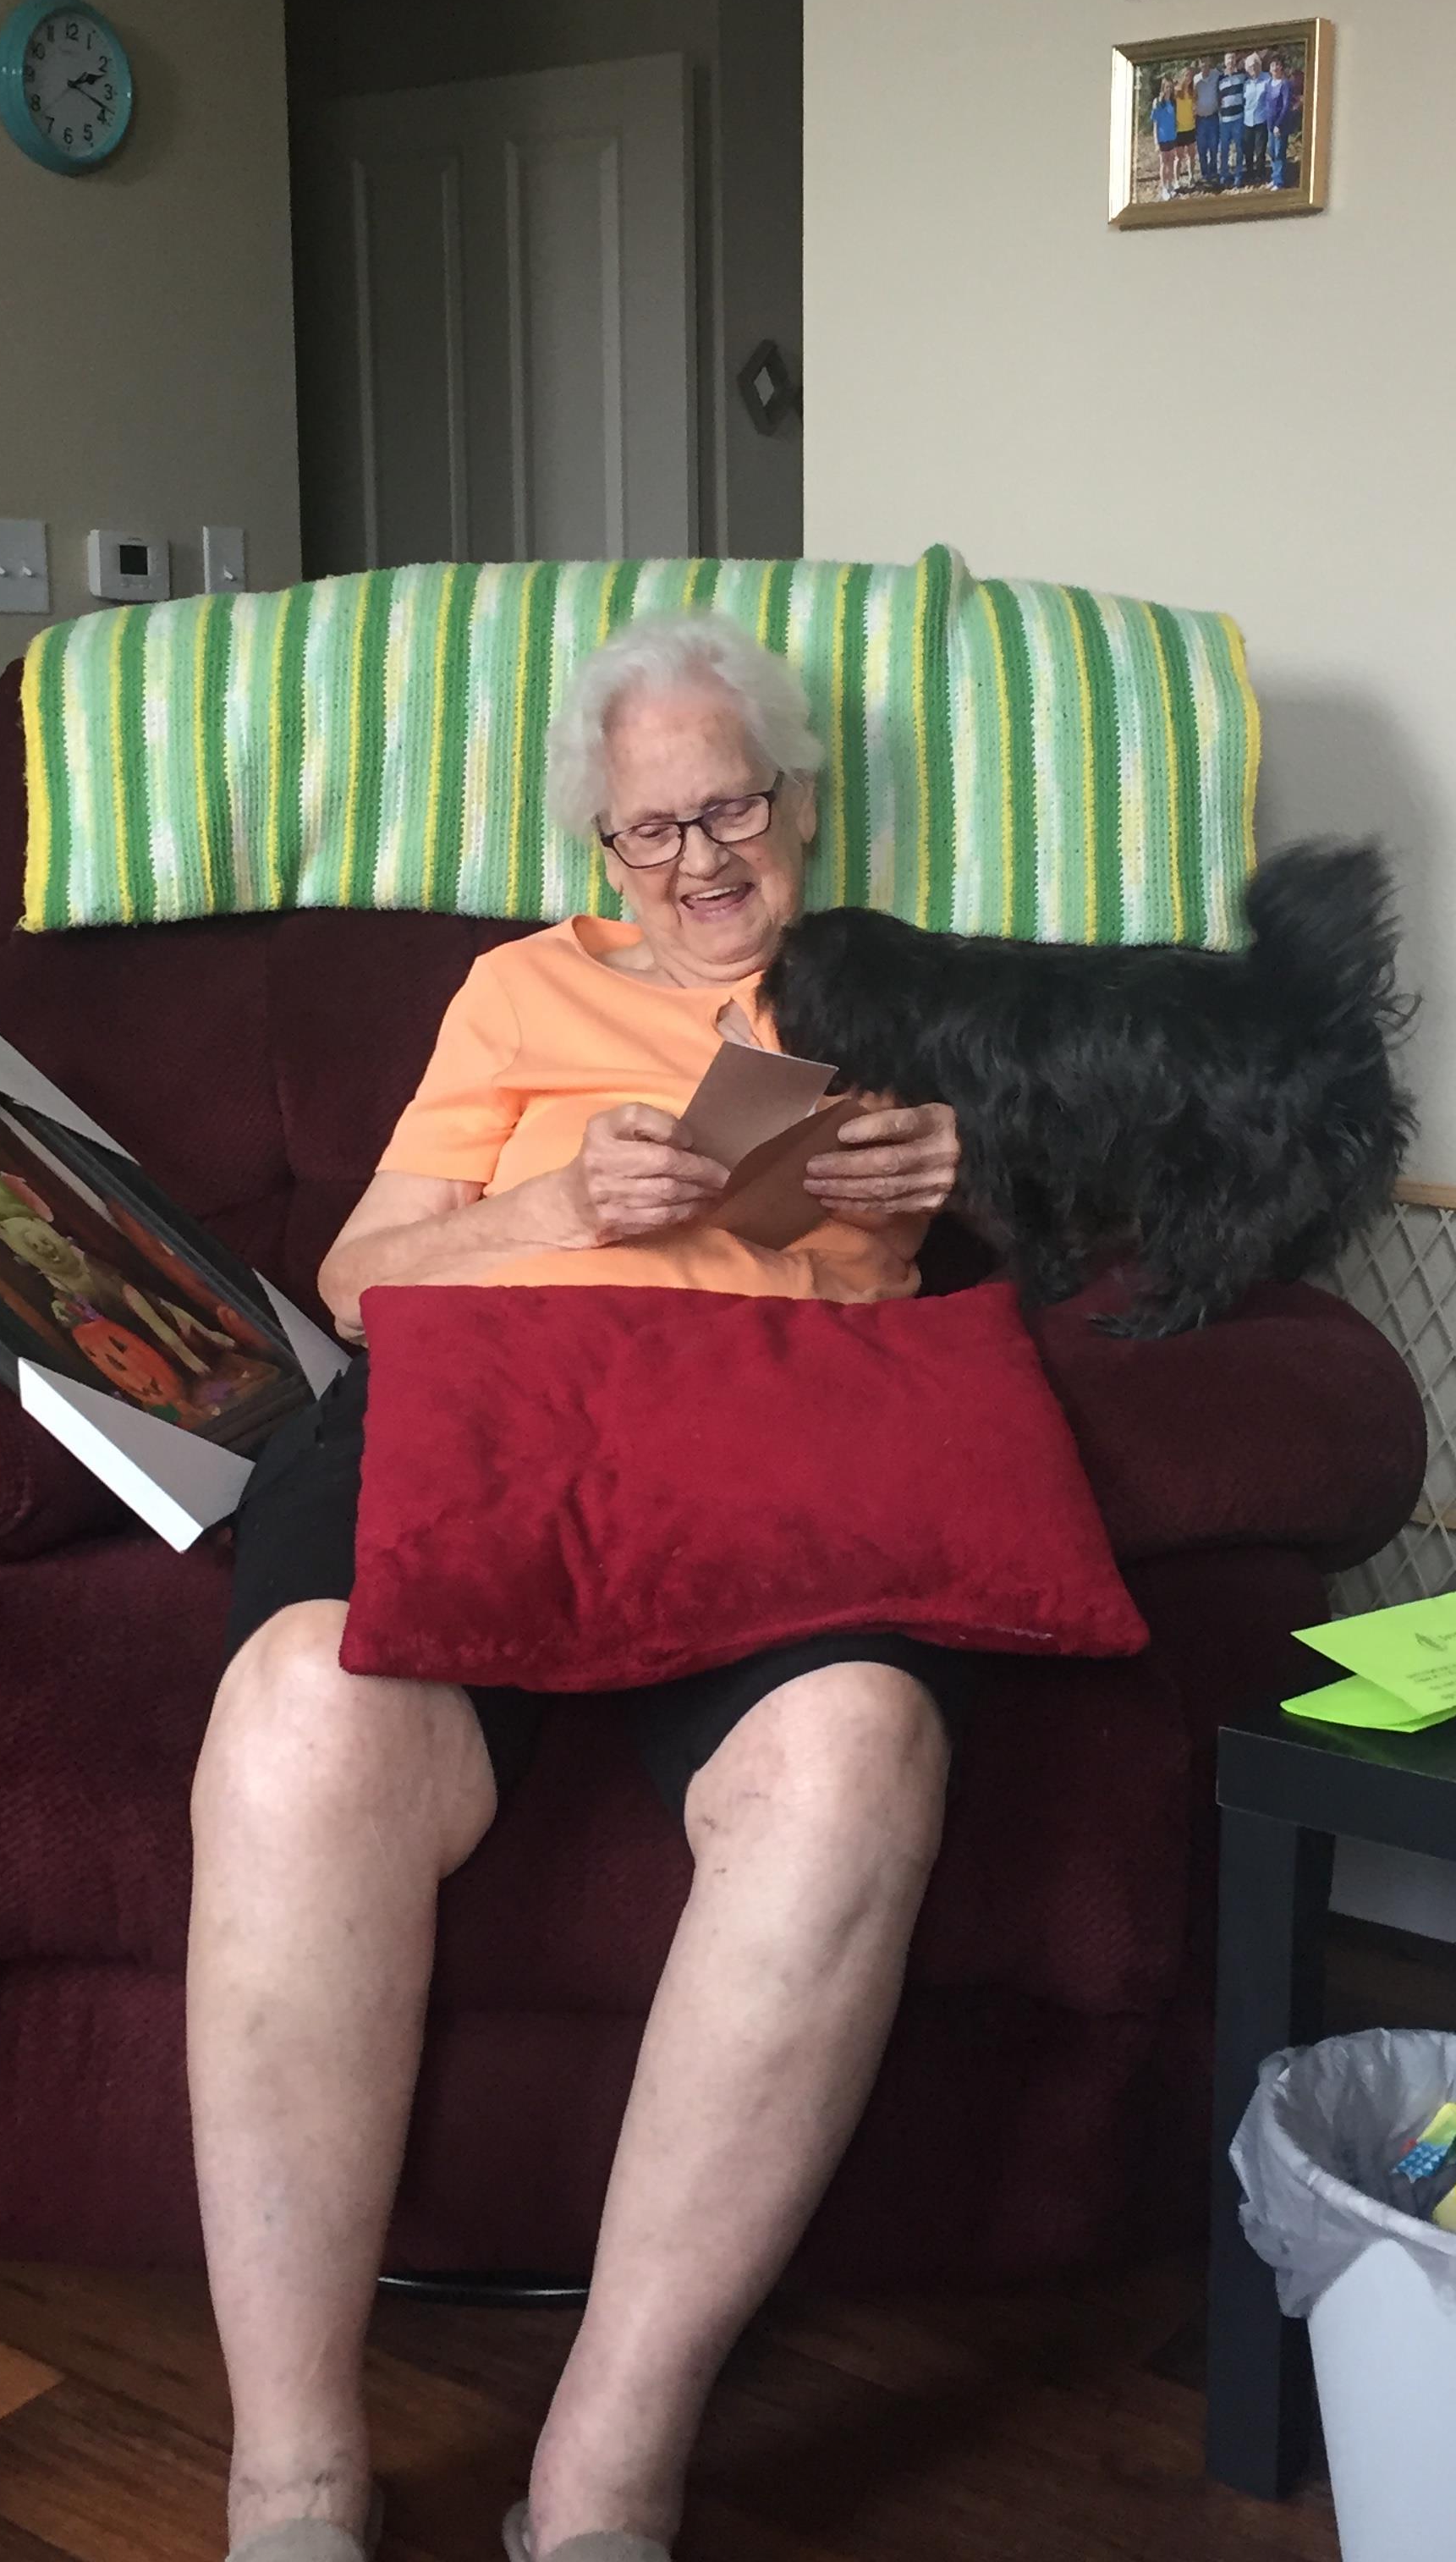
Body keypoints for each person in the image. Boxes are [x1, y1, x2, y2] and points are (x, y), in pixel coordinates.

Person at [193, 611, 965, 2562]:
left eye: (733, 811)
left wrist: (942, 1184)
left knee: (861, 1743)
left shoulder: (882, 994)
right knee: (296, 1715)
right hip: (480, 1432)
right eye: (650, 832)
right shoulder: (514, 994)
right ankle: (291, 2475)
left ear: (799, 804)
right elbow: (362, 1282)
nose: (700, 862)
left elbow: (936, 1295)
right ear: (595, 850)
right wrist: (553, 1204)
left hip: (763, 1462)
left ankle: (604, 2476)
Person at [1239, 50, 1273, 187]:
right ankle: (1249, 174)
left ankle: (1260, 174)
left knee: (1260, 151)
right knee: (1248, 150)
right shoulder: (1246, 83)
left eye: (1255, 66)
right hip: (1247, 121)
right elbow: (1243, 101)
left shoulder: (1267, 79)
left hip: (1261, 120)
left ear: (1259, 66)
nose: (1253, 69)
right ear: (1247, 69)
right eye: (1250, 67)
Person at [1215, 49, 1247, 188]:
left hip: (1238, 119)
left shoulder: (1242, 76)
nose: (1231, 61)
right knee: (1224, 150)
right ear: (1224, 62)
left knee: (1239, 148)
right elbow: (1218, 98)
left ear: (1236, 61)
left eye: (1233, 58)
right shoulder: (1220, 79)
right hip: (1225, 121)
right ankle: (1224, 175)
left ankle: (1238, 175)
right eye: (1228, 59)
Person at [1192, 52, 1222, 188]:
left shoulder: (1216, 75)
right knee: (1202, 148)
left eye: (1207, 64)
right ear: (1199, 65)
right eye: (1203, 64)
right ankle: (1205, 175)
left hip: (1213, 117)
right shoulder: (1195, 80)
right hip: (1200, 119)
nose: (1205, 67)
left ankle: (1214, 173)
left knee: (1214, 147)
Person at [1264, 50, 1294, 188]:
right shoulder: (1269, 83)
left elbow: (1286, 105)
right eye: (1272, 66)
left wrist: (1278, 124)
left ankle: (1279, 181)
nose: (1274, 68)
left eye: (1277, 65)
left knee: (1279, 152)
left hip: (1280, 125)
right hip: (1270, 125)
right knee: (1271, 151)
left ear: (1281, 67)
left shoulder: (1285, 84)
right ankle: (1274, 177)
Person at [1149, 74, 1181, 197]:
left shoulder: (1173, 102)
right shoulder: (1157, 102)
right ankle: (1164, 188)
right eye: (1167, 87)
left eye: (1170, 87)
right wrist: (1156, 141)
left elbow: (1174, 119)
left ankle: (1170, 184)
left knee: (1171, 160)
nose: (1169, 90)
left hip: (1172, 136)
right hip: (1162, 138)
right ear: (1163, 88)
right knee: (1164, 162)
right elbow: (1155, 123)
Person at [1172, 65, 1198, 192]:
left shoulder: (1192, 92)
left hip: (1191, 127)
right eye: (1187, 75)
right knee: (1179, 157)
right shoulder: (1176, 92)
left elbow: (1194, 107)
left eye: (1191, 76)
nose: (1189, 78)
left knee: (1191, 155)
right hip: (1179, 130)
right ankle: (1176, 181)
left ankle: (1191, 177)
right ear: (1182, 76)